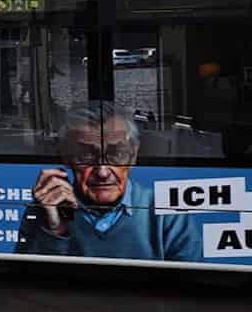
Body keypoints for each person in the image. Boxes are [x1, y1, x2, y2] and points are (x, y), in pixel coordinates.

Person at [15, 101, 198, 261]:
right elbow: (27, 281)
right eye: (86, 155)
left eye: (116, 154)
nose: (102, 172)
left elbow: (190, 285)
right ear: (66, 158)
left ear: (133, 155)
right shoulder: (44, 209)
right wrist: (53, 231)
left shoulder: (168, 213)